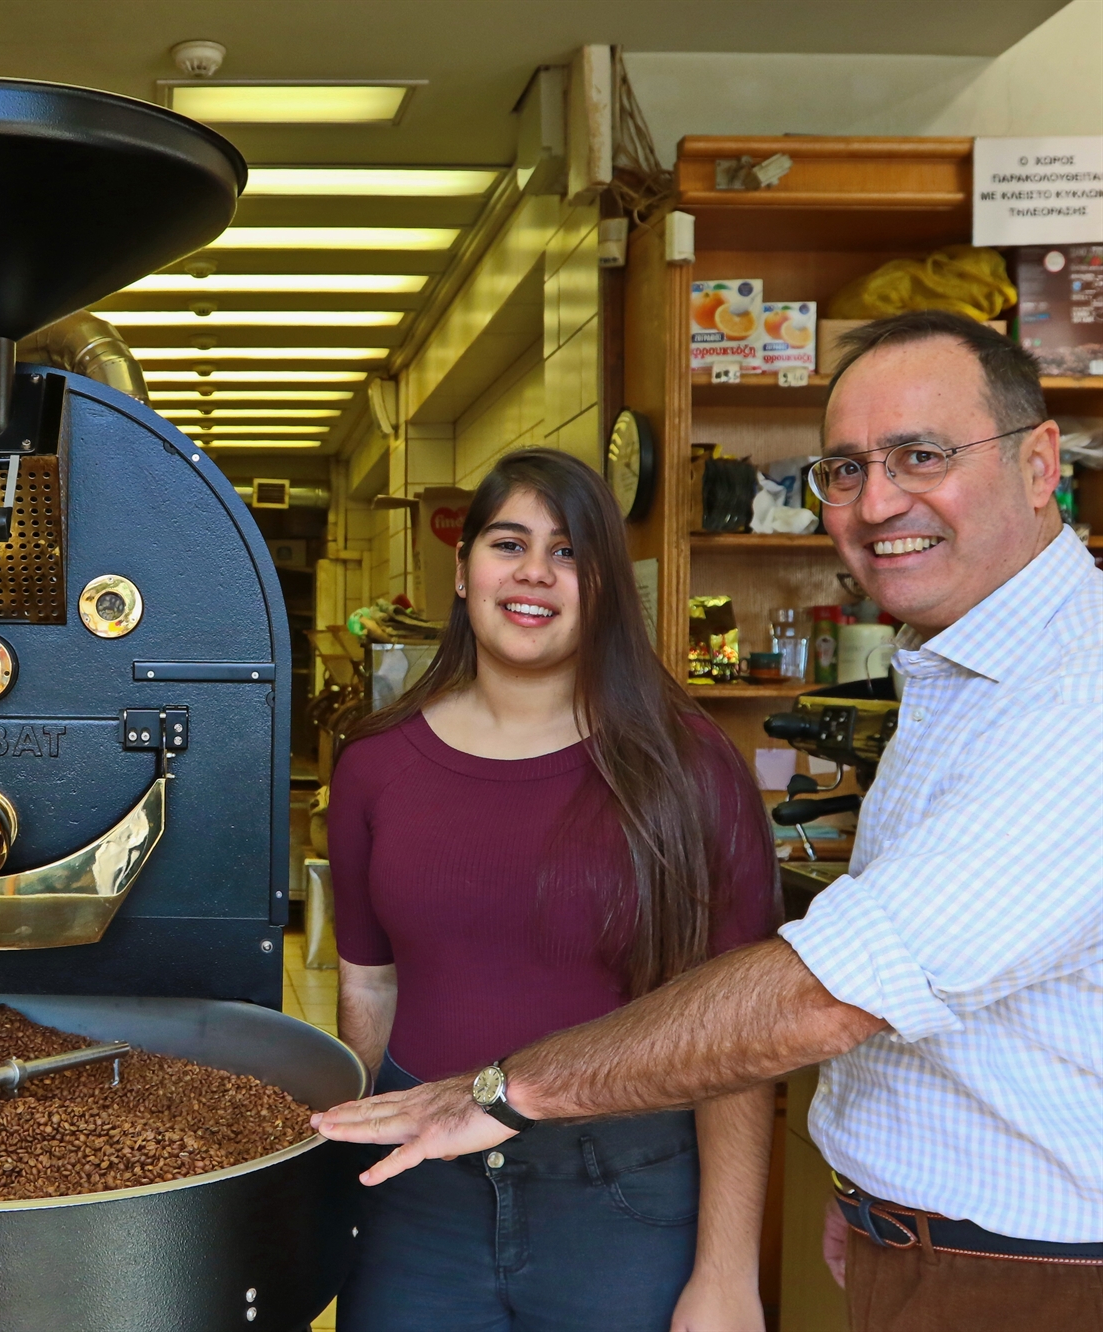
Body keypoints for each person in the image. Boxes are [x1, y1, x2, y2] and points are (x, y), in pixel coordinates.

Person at [315, 311, 1103, 1331]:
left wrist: (507, 1093)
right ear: (458, 566)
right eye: (847, 470)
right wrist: (875, 1197)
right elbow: (365, 987)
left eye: (920, 455)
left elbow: (805, 1004)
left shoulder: (1063, 698)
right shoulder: (959, 675)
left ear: (1040, 464)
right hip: (928, 1238)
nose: (877, 502)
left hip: (1001, 1261)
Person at [327, 448, 779, 1332]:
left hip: (625, 1200)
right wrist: (356, 1168)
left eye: (570, 552)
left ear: (607, 586)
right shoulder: (376, 765)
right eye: (509, 543)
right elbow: (367, 983)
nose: (536, 572)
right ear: (461, 572)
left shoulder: (687, 770)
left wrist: (727, 1275)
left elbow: (739, 1034)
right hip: (422, 1204)